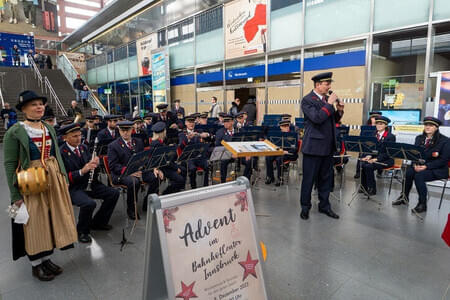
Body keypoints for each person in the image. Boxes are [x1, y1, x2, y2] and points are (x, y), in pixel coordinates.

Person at [3, 90, 78, 281]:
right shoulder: (15, 131)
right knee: (35, 221)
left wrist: (63, 178)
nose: (39, 107)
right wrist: (15, 195)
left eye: (41, 104)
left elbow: (57, 154)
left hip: (53, 177)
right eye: (34, 104)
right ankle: (36, 264)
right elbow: (10, 163)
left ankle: (47, 258)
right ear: (24, 108)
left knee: (52, 217)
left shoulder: (48, 127)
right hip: (31, 179)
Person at [59, 123, 119, 243]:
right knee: (89, 204)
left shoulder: (83, 148)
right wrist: (82, 171)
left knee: (113, 193)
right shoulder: (61, 153)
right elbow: (63, 177)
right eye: (74, 136)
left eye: (80, 135)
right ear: (65, 138)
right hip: (73, 187)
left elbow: (90, 165)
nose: (79, 138)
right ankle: (82, 231)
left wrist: (96, 163)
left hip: (90, 183)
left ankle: (98, 222)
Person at [300, 72, 341, 220]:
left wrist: (339, 110)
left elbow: (332, 120)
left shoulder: (325, 99)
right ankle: (305, 207)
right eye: (326, 84)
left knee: (326, 179)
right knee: (309, 180)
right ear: (318, 85)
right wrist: (329, 104)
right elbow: (317, 118)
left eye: (329, 83)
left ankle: (324, 206)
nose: (329, 86)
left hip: (327, 147)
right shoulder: (307, 100)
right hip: (313, 147)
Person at [392, 117, 450, 213]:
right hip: (420, 166)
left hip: (437, 169)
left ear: (436, 127)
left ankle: (422, 204)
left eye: (431, 125)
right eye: (426, 125)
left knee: (419, 176)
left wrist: (426, 166)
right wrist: (415, 164)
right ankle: (404, 197)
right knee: (408, 172)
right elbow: (415, 154)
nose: (427, 127)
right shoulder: (419, 138)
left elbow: (443, 160)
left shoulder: (445, 141)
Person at [107, 121, 160, 219]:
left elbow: (144, 158)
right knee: (134, 182)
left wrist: (153, 169)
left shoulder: (138, 141)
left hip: (138, 171)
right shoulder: (113, 146)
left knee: (155, 177)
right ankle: (131, 209)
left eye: (127, 130)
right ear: (119, 130)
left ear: (132, 129)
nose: (125, 133)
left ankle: (147, 202)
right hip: (121, 174)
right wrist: (129, 171)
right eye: (123, 130)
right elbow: (113, 166)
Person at [360, 116, 396, 196]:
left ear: (386, 125)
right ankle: (363, 186)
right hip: (375, 158)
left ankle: (372, 188)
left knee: (369, 166)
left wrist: (376, 159)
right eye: (377, 124)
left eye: (381, 124)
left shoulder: (390, 137)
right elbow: (370, 148)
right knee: (363, 164)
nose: (378, 125)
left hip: (386, 160)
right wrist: (368, 155)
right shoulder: (373, 134)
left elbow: (388, 153)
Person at [150, 122, 185, 195]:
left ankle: (176, 191)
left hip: (165, 165)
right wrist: (176, 168)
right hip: (163, 167)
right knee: (180, 179)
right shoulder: (157, 144)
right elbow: (165, 160)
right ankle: (166, 194)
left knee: (183, 170)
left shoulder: (159, 142)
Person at [178, 115, 210, 189]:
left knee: (207, 166)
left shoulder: (199, 131)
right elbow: (180, 147)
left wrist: (207, 135)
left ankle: (206, 187)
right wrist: (188, 139)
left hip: (198, 157)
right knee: (192, 169)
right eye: (189, 122)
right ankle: (194, 187)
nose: (191, 124)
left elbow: (209, 136)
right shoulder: (182, 134)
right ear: (185, 123)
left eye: (193, 122)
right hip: (188, 158)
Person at [265, 120, 299, 186]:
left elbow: (296, 148)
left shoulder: (293, 135)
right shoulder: (277, 135)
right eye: (284, 126)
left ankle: (280, 178)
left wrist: (287, 151)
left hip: (290, 154)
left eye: (287, 126)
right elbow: (273, 145)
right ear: (280, 127)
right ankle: (270, 177)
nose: (286, 127)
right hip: (279, 152)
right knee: (268, 157)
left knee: (279, 159)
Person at [215, 115, 235, 183]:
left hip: (238, 153)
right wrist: (230, 154)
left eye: (227, 122)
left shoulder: (239, 130)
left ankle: (245, 180)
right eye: (224, 122)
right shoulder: (220, 132)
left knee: (249, 161)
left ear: (232, 122)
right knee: (224, 161)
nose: (225, 124)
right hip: (226, 154)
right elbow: (218, 146)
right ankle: (223, 181)